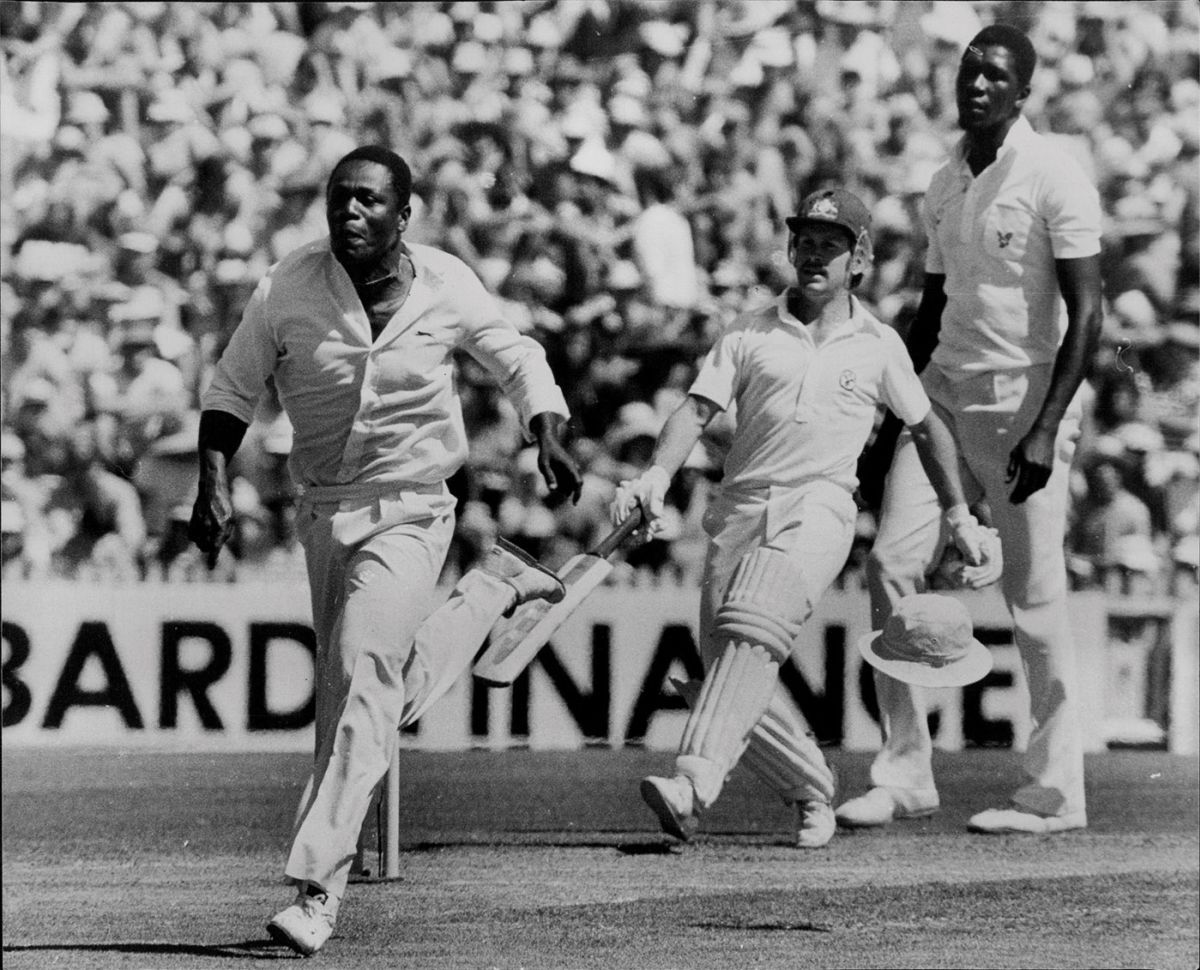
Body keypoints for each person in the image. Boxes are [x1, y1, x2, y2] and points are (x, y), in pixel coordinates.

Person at [188, 145, 582, 957]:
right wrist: (214, 483)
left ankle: (314, 887)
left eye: (369, 201)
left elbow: (517, 357)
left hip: (413, 508)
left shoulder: (446, 283)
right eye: (339, 199)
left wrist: (546, 426)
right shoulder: (287, 286)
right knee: (358, 694)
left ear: (405, 217)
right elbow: (231, 389)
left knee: (363, 673)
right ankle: (490, 594)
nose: (350, 213)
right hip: (326, 508)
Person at [611, 187, 992, 849]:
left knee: (752, 624)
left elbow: (927, 429)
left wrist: (957, 515)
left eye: (832, 245)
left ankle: (693, 781)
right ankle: (812, 786)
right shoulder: (750, 329)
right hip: (740, 511)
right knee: (727, 669)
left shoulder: (877, 343)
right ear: (791, 249)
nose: (816, 256)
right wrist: (656, 475)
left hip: (819, 509)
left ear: (860, 259)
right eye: (806, 242)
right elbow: (697, 413)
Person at [837, 24, 1104, 836]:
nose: (978, 85)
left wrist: (1045, 426)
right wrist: (895, 412)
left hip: (1026, 404)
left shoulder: (1056, 172)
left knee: (1033, 601)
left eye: (995, 76)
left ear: (1023, 92)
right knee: (890, 564)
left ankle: (1056, 794)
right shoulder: (945, 179)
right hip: (944, 399)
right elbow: (930, 308)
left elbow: (1088, 313)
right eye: (969, 71)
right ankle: (905, 772)